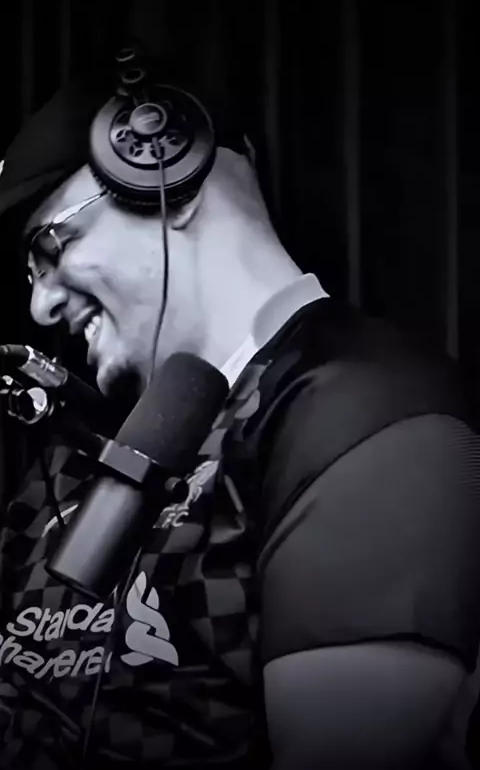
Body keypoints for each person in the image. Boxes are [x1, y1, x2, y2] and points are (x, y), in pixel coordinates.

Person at [0, 62, 480, 770]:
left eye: (51, 246)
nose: (40, 307)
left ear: (166, 172)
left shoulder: (366, 413)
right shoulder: (88, 451)